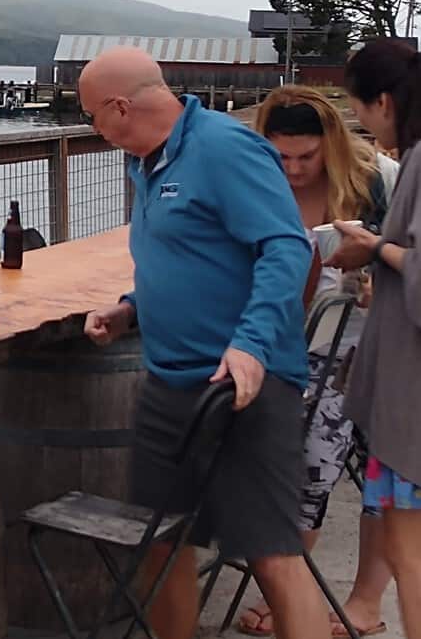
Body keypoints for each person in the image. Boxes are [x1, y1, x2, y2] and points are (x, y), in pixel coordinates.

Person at [80, 47, 329, 639]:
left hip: (245, 384)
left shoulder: (222, 147)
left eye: (91, 116)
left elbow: (286, 246)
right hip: (170, 384)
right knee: (163, 540)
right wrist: (130, 309)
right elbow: (187, 255)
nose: (93, 128)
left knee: (272, 553)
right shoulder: (145, 161)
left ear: (119, 107)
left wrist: (248, 344)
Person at [235, 86, 394, 637]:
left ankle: (364, 601)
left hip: (371, 349)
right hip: (289, 348)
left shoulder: (377, 178)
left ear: (331, 144)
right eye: (284, 156)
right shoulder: (252, 180)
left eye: (308, 156)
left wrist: (381, 276)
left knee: (367, 472)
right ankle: (290, 595)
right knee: (292, 466)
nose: (296, 168)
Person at [328, 40, 421, 639]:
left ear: (384, 100)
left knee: (409, 549)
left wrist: (373, 248)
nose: (361, 123)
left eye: (359, 109)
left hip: (411, 402)